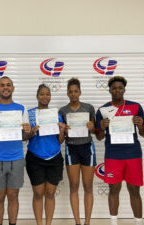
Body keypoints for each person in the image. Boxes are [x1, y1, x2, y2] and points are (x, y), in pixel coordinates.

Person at [95, 76, 144, 225]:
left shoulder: (136, 107)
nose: (117, 90)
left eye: (120, 88)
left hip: (133, 154)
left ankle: (138, 222)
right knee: (113, 189)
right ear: (110, 90)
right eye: (114, 88)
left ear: (124, 89)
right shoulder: (103, 110)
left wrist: (140, 125)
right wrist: (102, 127)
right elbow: (99, 137)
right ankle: (114, 222)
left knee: (134, 190)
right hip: (113, 155)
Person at [0, 76, 31, 225]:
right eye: (2, 85)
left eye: (8, 85)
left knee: (13, 196)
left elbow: (24, 136)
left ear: (13, 88)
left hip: (16, 158)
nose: (5, 87)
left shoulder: (21, 108)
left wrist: (27, 131)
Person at [26, 84, 65, 225]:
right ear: (37, 96)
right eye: (42, 94)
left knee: (50, 193)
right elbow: (25, 136)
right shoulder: (29, 114)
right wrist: (30, 132)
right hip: (35, 157)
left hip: (54, 157)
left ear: (50, 96)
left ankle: (48, 223)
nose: (45, 97)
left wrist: (62, 130)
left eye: (47, 94)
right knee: (38, 194)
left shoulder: (57, 115)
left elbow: (60, 141)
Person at [59, 78, 96, 225]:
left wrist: (91, 126)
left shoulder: (89, 108)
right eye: (70, 92)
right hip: (71, 149)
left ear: (80, 92)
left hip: (87, 148)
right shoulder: (63, 111)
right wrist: (64, 130)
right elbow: (61, 137)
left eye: (76, 91)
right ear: (67, 93)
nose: (73, 94)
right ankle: (78, 222)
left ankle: (87, 222)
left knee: (88, 186)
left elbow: (94, 130)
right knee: (74, 186)